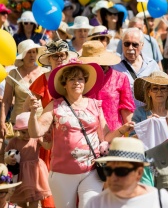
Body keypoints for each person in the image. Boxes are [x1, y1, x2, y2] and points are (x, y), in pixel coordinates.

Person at [27, 60, 134, 208]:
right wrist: (33, 113)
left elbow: (106, 136)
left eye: (80, 79)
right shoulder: (55, 105)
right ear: (64, 84)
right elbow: (35, 132)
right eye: (72, 79)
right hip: (62, 173)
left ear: (85, 82)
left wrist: (122, 129)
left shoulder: (95, 104)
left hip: (92, 171)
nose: (76, 82)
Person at [31, 39, 78, 208]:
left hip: (74, 135)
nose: (59, 58)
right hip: (50, 136)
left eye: (62, 55)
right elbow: (30, 105)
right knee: (50, 180)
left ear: (67, 56)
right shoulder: (43, 79)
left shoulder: (75, 78)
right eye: (55, 56)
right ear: (49, 59)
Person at [86, 137, 168, 208]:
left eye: (121, 171)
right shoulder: (95, 204)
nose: (113, 177)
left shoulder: (161, 201)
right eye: (108, 170)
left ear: (139, 173)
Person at [79, 41, 135, 131]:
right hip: (87, 134)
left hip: (114, 133)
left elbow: (126, 110)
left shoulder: (120, 78)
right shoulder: (79, 80)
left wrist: (132, 131)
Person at [0, 40, 48, 136]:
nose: (32, 55)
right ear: (22, 55)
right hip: (19, 124)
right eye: (29, 52)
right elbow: (7, 100)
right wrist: (2, 122)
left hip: (40, 123)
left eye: (34, 52)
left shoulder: (45, 72)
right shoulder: (13, 73)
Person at [5, 112, 51, 208]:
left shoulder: (36, 138)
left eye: (29, 131)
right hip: (20, 174)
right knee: (21, 200)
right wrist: (9, 159)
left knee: (34, 199)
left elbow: (47, 147)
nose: (27, 135)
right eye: (23, 132)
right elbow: (6, 155)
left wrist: (50, 139)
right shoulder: (14, 141)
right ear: (17, 131)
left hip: (35, 173)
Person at [112, 28, 160, 108]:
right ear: (122, 44)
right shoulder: (114, 66)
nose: (130, 48)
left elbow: (160, 90)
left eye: (135, 44)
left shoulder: (152, 65)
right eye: (127, 44)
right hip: (125, 116)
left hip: (147, 114)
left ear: (142, 45)